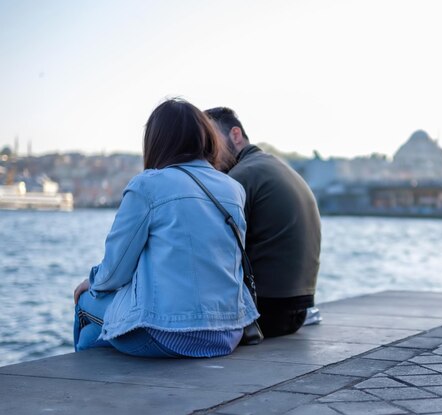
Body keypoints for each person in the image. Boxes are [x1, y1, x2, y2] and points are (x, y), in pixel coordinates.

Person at [72, 99, 258, 358]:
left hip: (168, 333)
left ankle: (81, 390)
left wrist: (91, 282)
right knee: (94, 336)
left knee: (84, 304)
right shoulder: (232, 189)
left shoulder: (148, 185)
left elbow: (115, 270)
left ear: (156, 140)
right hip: (227, 333)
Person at [205, 107, 321, 337]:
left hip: (265, 314)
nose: (207, 153)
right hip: (296, 310)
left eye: (211, 142)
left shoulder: (239, 178)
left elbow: (213, 253)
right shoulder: (275, 166)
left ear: (235, 135)